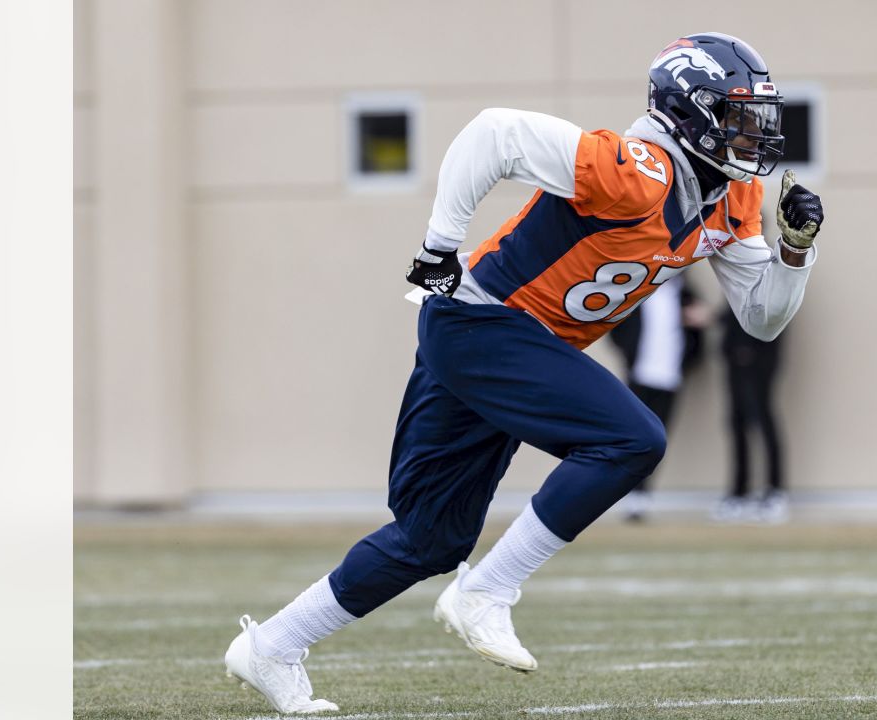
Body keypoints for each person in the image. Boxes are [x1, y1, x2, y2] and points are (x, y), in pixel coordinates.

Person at [223, 32, 824, 714]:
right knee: (632, 438)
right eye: (738, 115)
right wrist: (439, 246)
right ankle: (489, 590)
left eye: (758, 117)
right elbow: (492, 133)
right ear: (688, 111)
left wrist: (796, 252)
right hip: (480, 322)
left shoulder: (732, 198)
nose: (754, 134)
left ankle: (271, 647)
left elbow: (762, 318)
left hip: (512, 346)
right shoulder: (636, 168)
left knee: (430, 538)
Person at [607, 275, 706, 522]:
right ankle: (622, 493)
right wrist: (628, 353)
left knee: (657, 441)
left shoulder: (685, 293)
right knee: (630, 438)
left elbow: (698, 334)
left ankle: (641, 497)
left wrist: (689, 358)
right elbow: (615, 325)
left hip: (670, 378)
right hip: (639, 376)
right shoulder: (638, 290)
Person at [712, 301, 789, 524]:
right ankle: (739, 493)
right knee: (736, 423)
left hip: (758, 358)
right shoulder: (741, 273)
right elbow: (735, 310)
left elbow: (771, 310)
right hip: (734, 358)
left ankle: (775, 492)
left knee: (763, 420)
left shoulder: (771, 272)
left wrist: (749, 347)